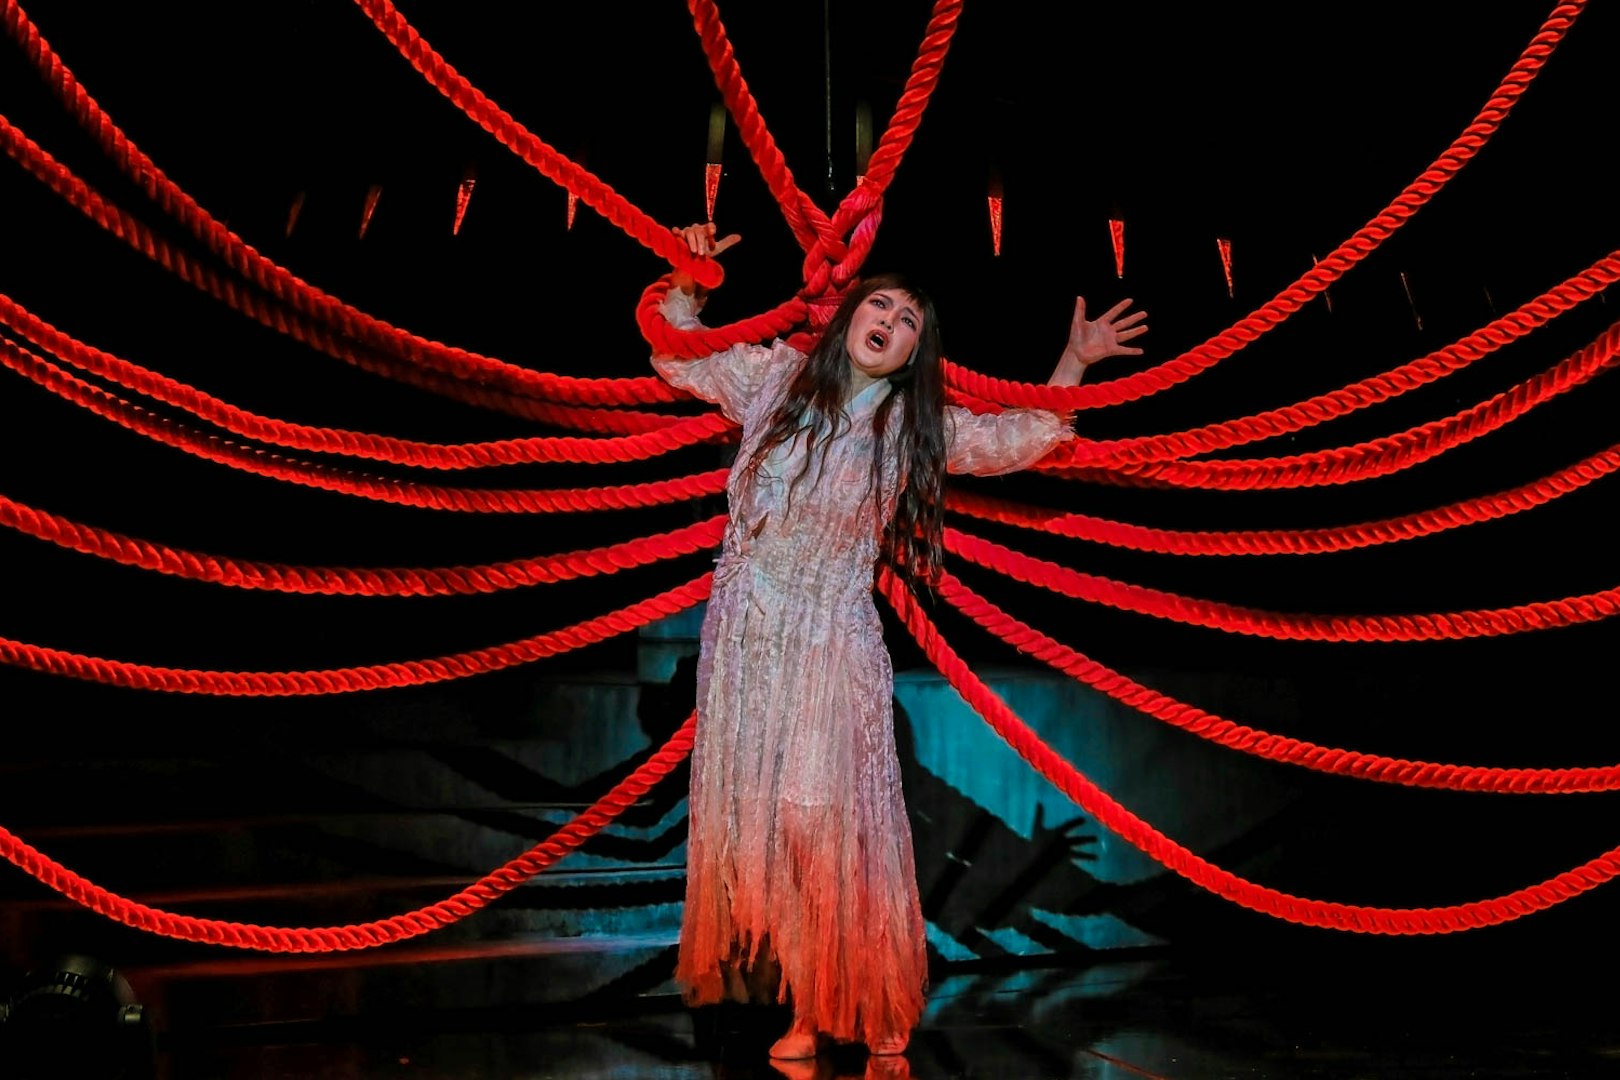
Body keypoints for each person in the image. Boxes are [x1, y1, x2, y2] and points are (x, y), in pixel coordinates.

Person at [651, 222, 1146, 1061]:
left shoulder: (912, 430)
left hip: (829, 641)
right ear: (850, 316)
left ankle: (873, 995)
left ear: (917, 348)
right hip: (746, 642)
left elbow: (1015, 441)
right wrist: (689, 279)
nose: (888, 318)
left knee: (820, 823)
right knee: (766, 831)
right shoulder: (773, 379)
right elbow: (679, 352)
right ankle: (806, 1009)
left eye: (908, 317)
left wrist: (1075, 365)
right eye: (878, 303)